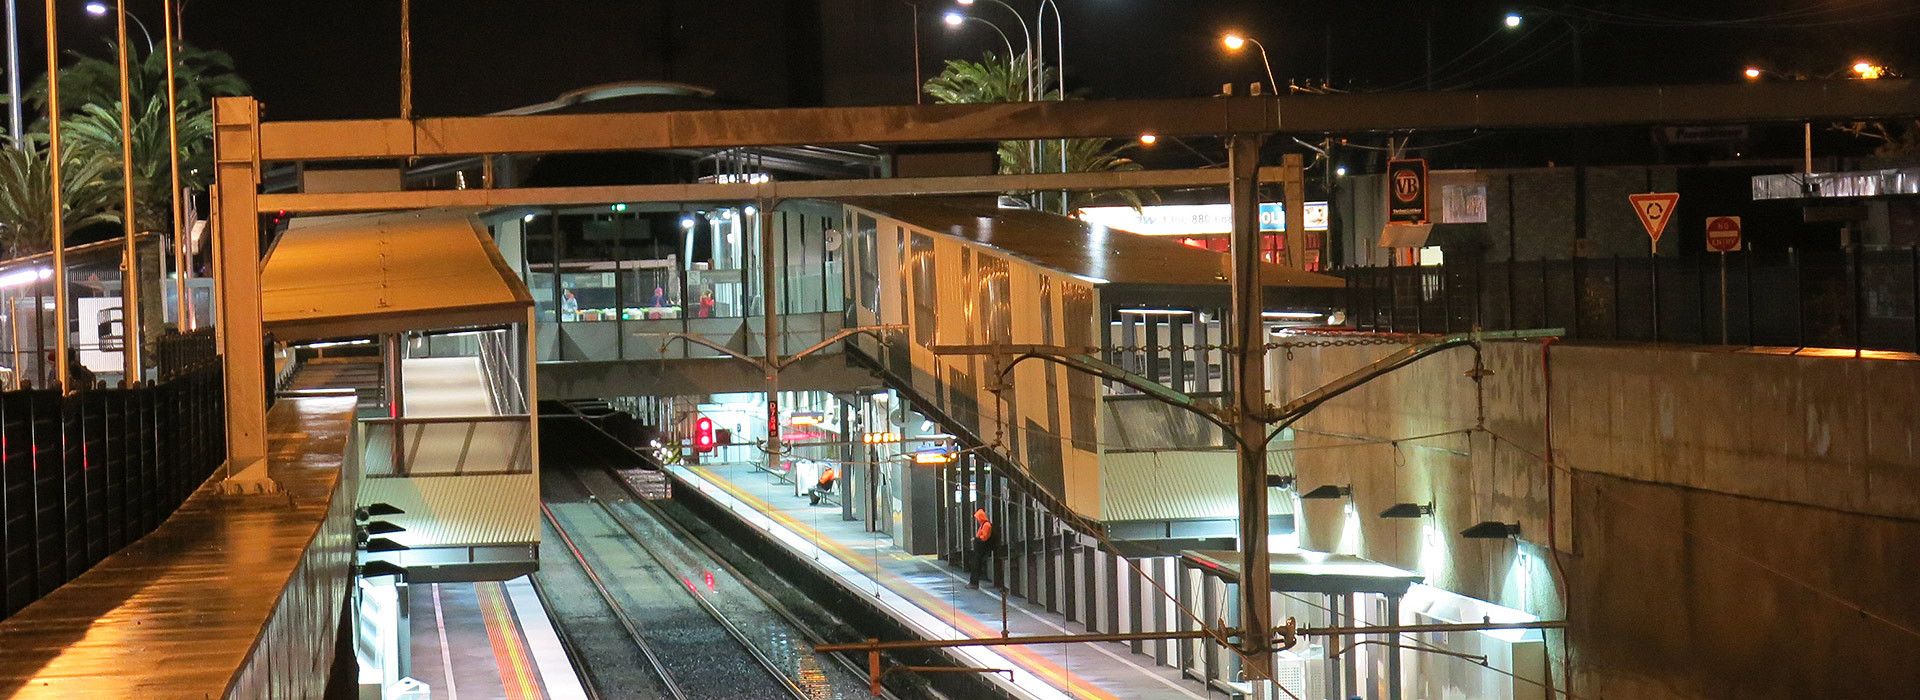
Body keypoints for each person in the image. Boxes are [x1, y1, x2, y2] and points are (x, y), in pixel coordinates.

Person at [967, 508, 995, 589]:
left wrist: (976, 539)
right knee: (975, 565)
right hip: (979, 548)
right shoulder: (983, 525)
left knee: (976, 565)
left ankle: (974, 583)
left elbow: (984, 537)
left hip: (982, 548)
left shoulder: (986, 525)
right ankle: (973, 582)